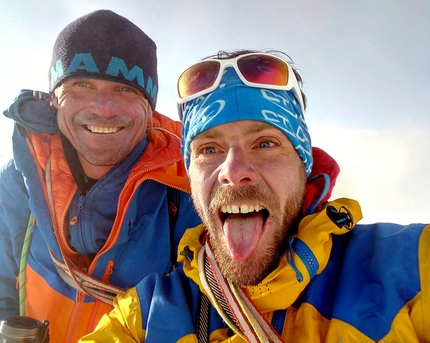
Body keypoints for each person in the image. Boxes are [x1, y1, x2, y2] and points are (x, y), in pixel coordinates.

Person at [79, 50, 430, 342]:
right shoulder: (143, 315)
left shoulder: (409, 267)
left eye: (264, 143)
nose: (233, 170)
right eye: (209, 149)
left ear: (303, 164)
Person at [0, 10, 201, 343]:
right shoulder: (21, 180)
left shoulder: (186, 191)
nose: (104, 108)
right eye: (81, 84)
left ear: (149, 107)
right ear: (54, 98)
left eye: (125, 89)